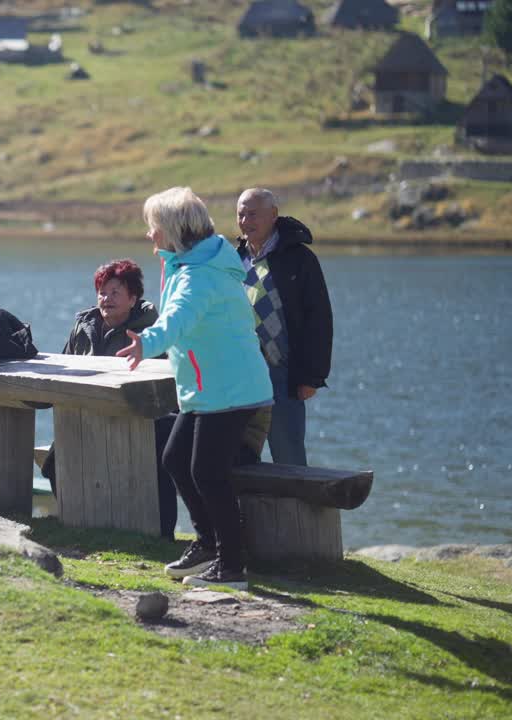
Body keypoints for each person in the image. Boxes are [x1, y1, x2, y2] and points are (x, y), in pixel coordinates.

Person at [118, 187, 272, 590]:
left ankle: (232, 566)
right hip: (210, 391)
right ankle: (207, 545)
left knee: (207, 471)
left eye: (154, 227)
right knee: (174, 459)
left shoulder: (199, 276)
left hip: (230, 390)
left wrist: (146, 342)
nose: (150, 235)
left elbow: (177, 321)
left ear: (173, 230)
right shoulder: (192, 265)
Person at [41, 259, 180, 540]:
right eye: (102, 292)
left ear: (133, 298)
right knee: (54, 461)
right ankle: (81, 522)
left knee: (157, 461)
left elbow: (167, 385)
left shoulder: (152, 330)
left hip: (142, 419)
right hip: (88, 414)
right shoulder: (84, 325)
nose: (107, 298)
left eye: (116, 292)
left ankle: (162, 536)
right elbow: (65, 365)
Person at [235, 188, 333, 467]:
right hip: (241, 375)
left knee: (288, 458)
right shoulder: (235, 259)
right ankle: (245, 511)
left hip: (283, 375)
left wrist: (312, 377)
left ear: (273, 215)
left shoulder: (299, 258)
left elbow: (320, 320)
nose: (245, 221)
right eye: (241, 215)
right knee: (239, 457)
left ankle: (296, 511)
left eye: (252, 214)